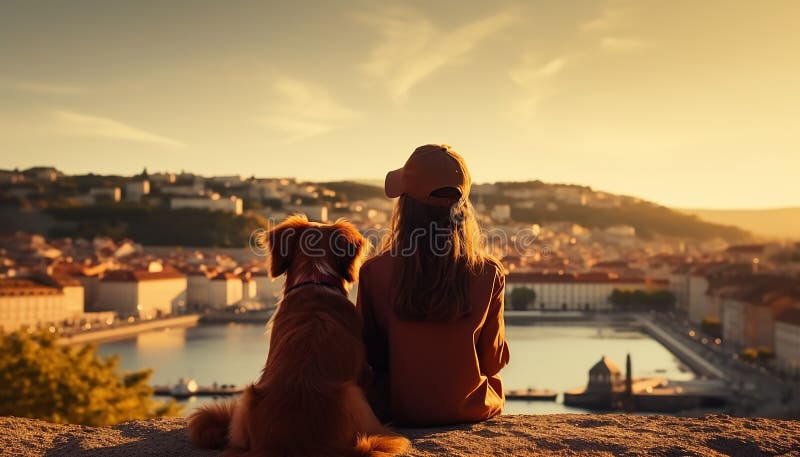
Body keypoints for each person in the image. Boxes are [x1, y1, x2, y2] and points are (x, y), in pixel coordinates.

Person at [357, 144, 510, 427]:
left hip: (398, 410)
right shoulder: (489, 273)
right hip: (469, 409)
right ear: (462, 208)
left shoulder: (374, 272)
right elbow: (493, 361)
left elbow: (370, 357)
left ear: (404, 206)